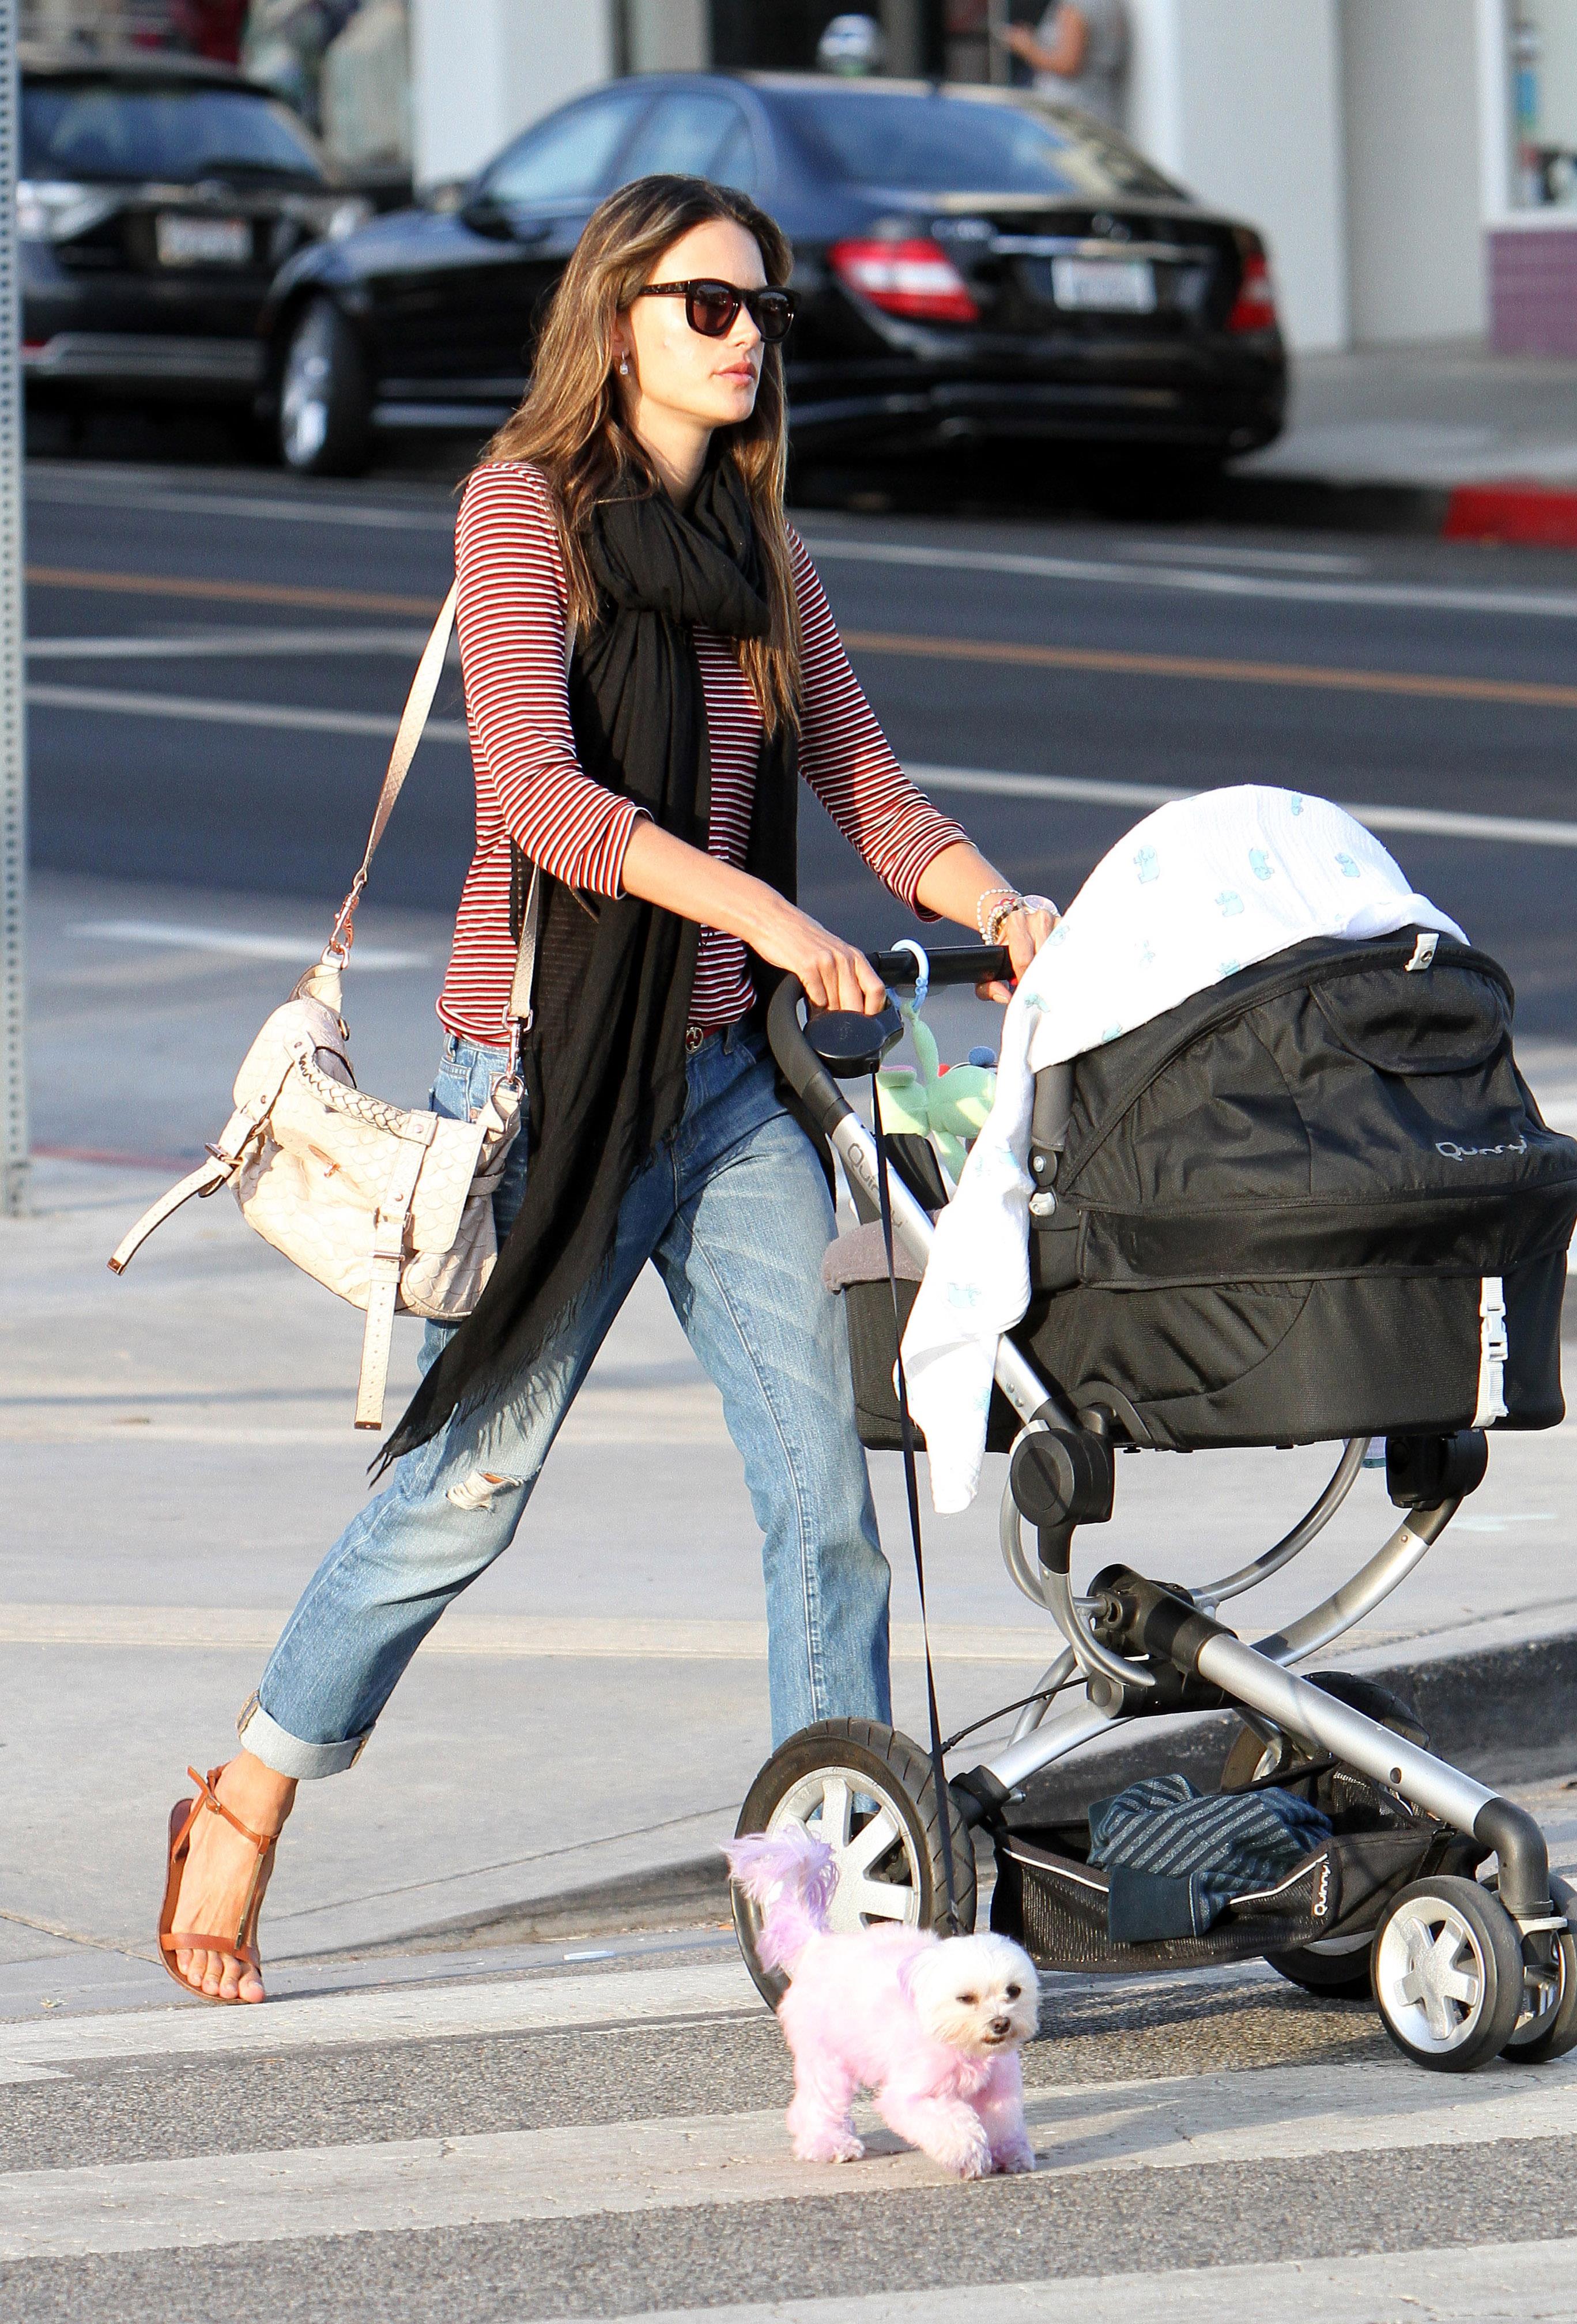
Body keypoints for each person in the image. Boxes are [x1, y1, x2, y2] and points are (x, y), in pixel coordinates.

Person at [157, 172, 1058, 2005]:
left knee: (820, 1496)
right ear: (618, 317)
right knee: (469, 1484)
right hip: (550, 1080)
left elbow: (874, 801)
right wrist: (756, 909)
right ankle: (247, 1791)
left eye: (764, 317)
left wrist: (1012, 907)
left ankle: (839, 1906)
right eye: (707, 307)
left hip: (726, 1089)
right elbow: (549, 809)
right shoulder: (523, 517)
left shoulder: (761, 553)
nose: (743, 342)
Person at [1001, 0, 1129, 126]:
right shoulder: (1111, 5)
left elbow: (1068, 65)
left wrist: (1026, 46)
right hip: (1100, 110)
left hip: (1068, 115)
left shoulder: (1075, 6)